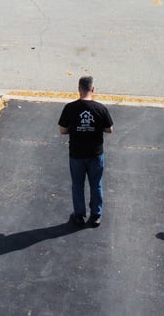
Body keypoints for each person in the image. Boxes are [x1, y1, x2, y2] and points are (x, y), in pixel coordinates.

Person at [58, 76, 114, 227]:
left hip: (76, 154)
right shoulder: (100, 108)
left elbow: (63, 130)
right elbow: (109, 129)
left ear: (79, 89)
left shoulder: (70, 108)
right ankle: (96, 215)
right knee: (96, 184)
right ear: (93, 89)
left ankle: (79, 215)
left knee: (77, 184)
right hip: (95, 154)